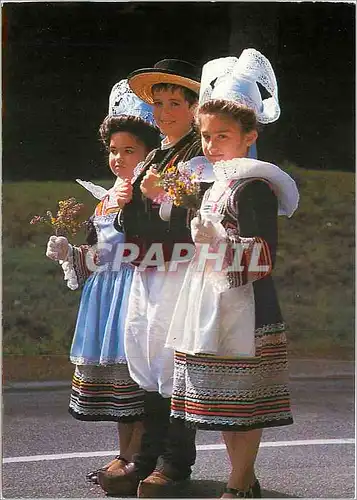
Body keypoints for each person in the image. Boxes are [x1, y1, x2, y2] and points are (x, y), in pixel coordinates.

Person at [165, 49, 299, 498]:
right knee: (224, 403)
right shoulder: (215, 183)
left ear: (248, 138)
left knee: (243, 400)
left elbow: (263, 255)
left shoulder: (253, 186)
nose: (211, 144)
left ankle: (240, 482)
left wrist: (219, 243)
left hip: (245, 302)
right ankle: (245, 478)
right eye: (205, 136)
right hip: (211, 297)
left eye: (222, 135)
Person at [97, 59, 205, 498]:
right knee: (144, 356)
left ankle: (174, 463)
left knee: (172, 362)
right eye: (158, 103)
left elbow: (190, 221)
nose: (163, 112)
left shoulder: (198, 155)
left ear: (196, 107)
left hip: (179, 268)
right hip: (148, 268)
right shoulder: (159, 153)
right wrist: (138, 206)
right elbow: (124, 219)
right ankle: (145, 458)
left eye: (174, 103)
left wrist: (155, 204)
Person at [45, 80, 160, 486]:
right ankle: (123, 452)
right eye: (114, 150)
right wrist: (71, 253)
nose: (118, 157)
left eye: (129, 150)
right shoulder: (104, 199)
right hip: (105, 298)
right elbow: (99, 256)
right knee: (116, 387)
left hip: (134, 293)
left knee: (135, 380)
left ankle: (139, 458)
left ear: (148, 152)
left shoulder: (149, 196)